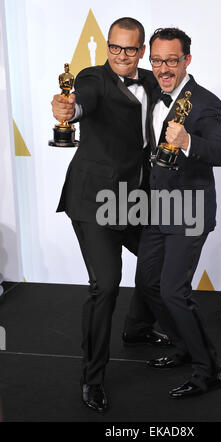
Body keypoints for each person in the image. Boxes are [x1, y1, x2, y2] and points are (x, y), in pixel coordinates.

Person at [51, 17, 171, 414]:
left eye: (130, 49)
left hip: (134, 198)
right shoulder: (91, 79)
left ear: (141, 52)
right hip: (94, 199)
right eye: (115, 48)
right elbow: (81, 101)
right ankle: (92, 377)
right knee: (106, 285)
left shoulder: (152, 82)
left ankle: (137, 328)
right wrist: (68, 108)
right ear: (107, 46)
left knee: (161, 258)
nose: (121, 56)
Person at [135, 28, 221, 399]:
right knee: (148, 284)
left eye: (171, 60)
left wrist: (188, 141)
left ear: (186, 60)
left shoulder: (205, 103)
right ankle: (184, 346)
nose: (163, 68)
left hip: (189, 209)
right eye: (157, 60)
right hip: (157, 206)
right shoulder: (151, 93)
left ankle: (208, 369)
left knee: (174, 291)